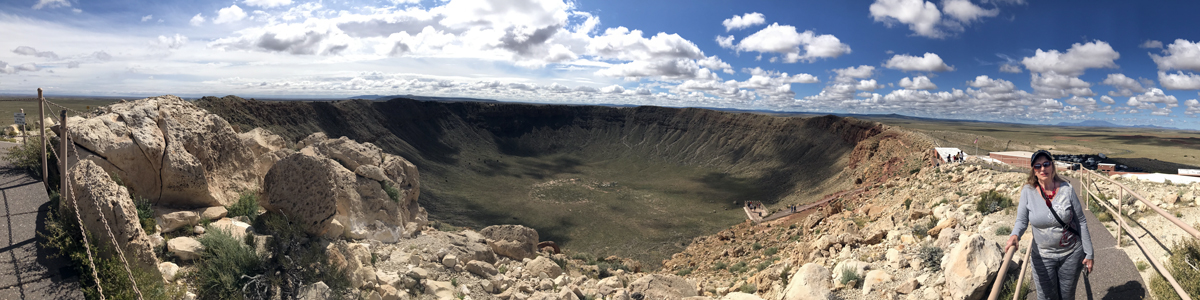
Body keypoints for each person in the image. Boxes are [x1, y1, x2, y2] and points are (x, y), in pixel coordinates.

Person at [1006, 150, 1094, 300]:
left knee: (1067, 296)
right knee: (1046, 297)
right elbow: (1021, 221)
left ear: (1052, 166)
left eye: (1046, 164)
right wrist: (1015, 235)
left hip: (1071, 254)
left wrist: (1089, 252)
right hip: (1043, 256)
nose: (1042, 169)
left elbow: (1081, 221)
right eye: (1038, 166)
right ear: (1033, 170)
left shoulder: (1067, 189)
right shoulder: (1028, 192)